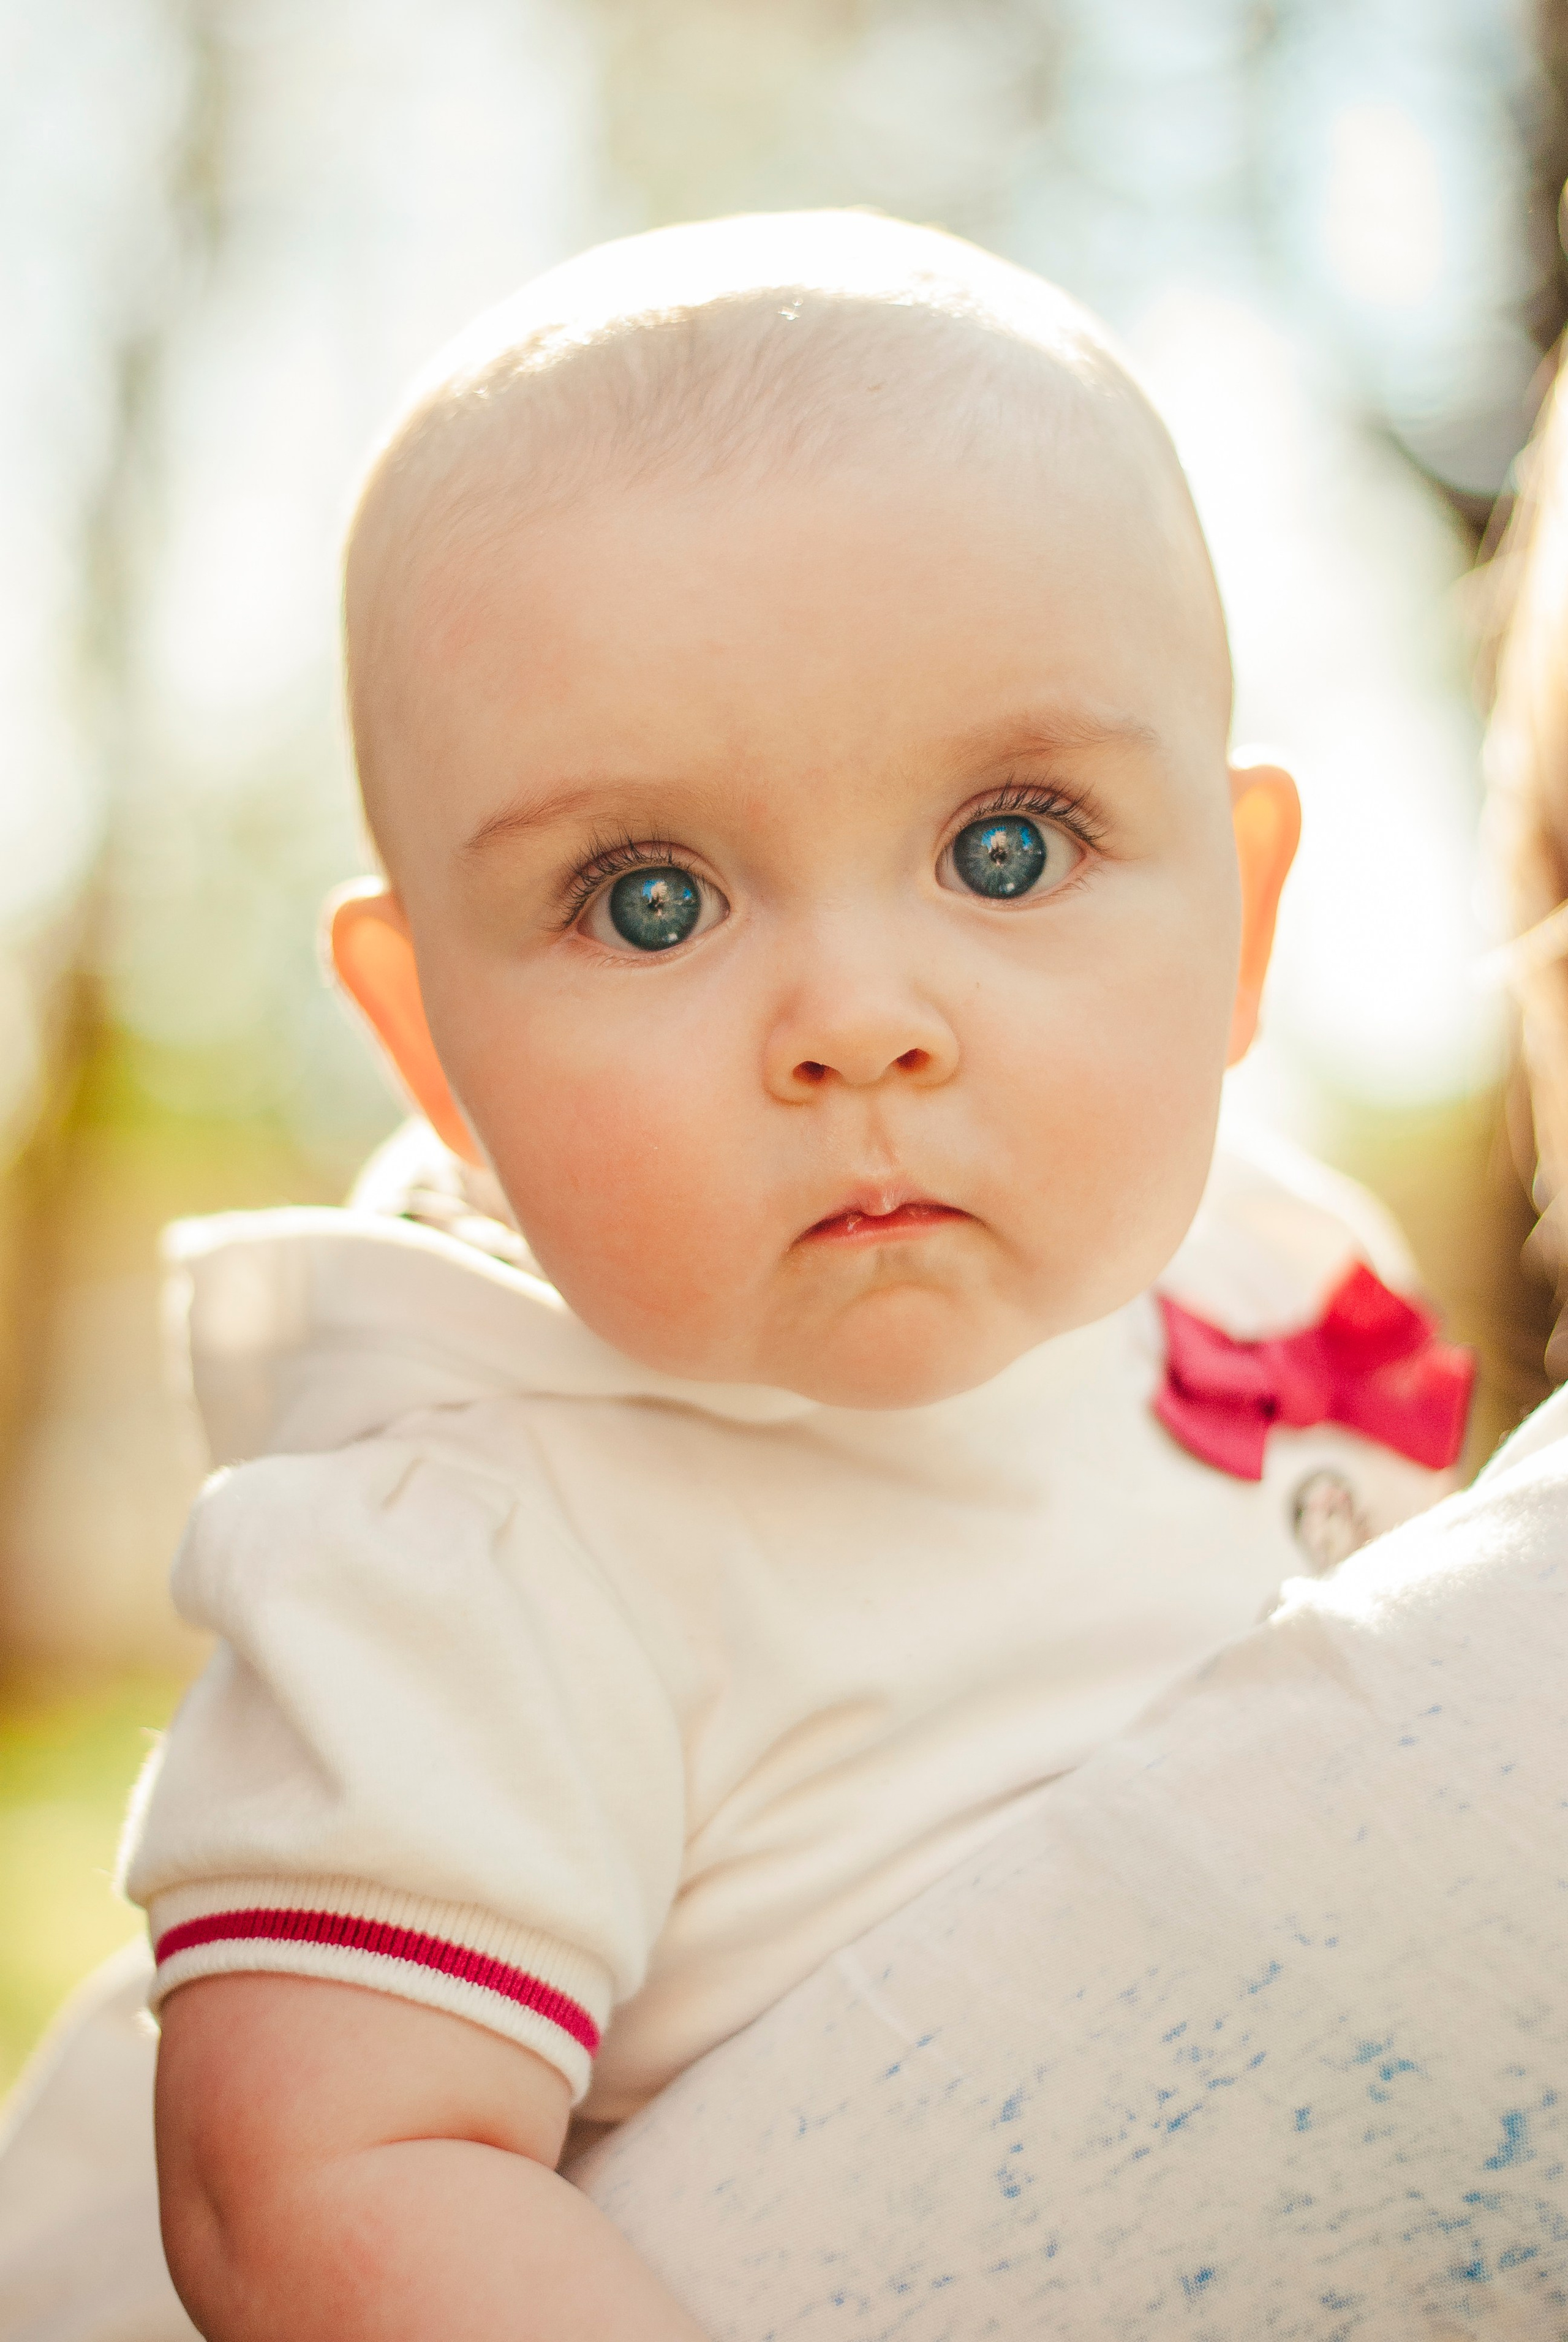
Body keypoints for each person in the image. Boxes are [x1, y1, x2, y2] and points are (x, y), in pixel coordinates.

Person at [0, 210, 1485, 2339]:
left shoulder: (1267, 1283)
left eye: (1010, 845)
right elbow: (312, 2186)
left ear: (1241, 930)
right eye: (653, 898)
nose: (857, 1017)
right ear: (435, 1051)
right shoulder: (478, 1549)